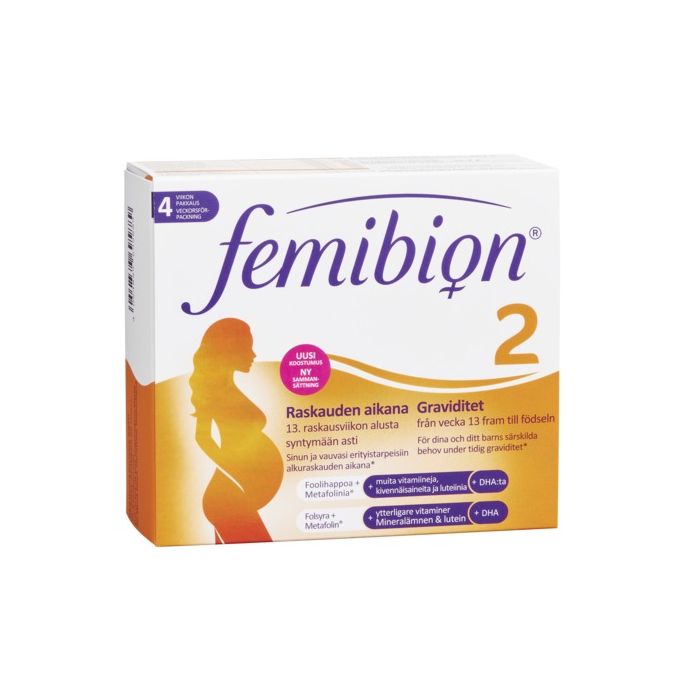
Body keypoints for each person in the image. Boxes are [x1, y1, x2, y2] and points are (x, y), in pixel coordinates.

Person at [190, 318, 283, 543]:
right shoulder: (212, 392)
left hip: (235, 495)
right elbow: (202, 437)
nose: (253, 354)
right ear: (228, 350)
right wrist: (237, 473)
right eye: (247, 347)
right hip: (229, 494)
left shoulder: (228, 389)